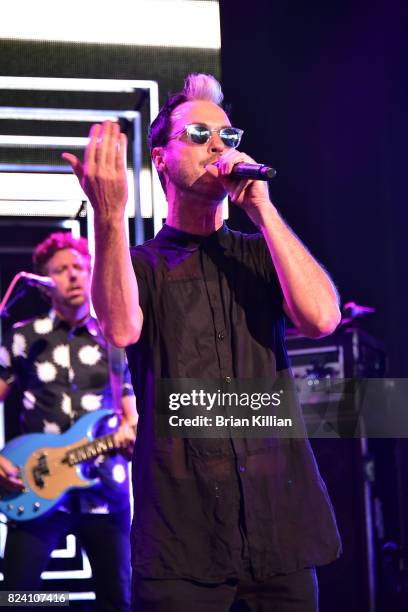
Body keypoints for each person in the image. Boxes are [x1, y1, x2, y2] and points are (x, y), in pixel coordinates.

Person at [63, 73, 342, 611]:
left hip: (277, 529)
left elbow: (323, 318)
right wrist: (107, 215)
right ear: (162, 160)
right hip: (182, 539)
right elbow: (120, 329)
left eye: (228, 136)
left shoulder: (260, 255)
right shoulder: (142, 266)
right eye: (197, 135)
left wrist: (261, 207)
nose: (218, 146)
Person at [0, 232, 137, 612]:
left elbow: (131, 416)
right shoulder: (24, 336)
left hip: (105, 491)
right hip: (35, 485)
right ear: (45, 282)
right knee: (17, 597)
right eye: (61, 270)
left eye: (79, 267)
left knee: (117, 600)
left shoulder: (113, 340)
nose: (73, 276)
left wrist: (131, 433)